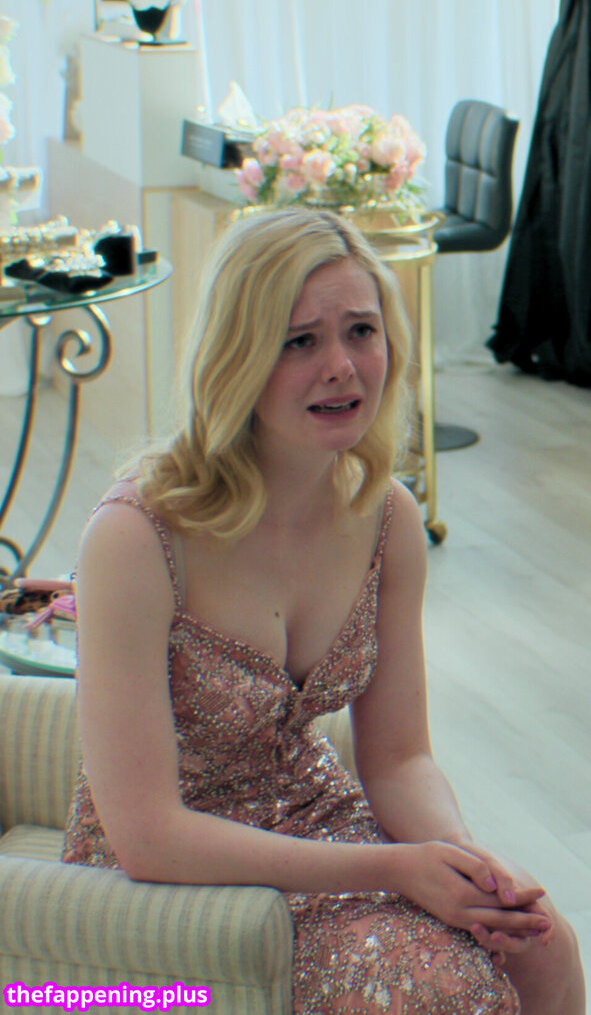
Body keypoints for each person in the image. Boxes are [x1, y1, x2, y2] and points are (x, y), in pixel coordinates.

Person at [63, 208, 585, 1014]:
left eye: (360, 332)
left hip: (318, 818)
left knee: (544, 945)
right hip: (175, 873)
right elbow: (147, 835)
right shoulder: (135, 536)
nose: (341, 367)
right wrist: (393, 869)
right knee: (439, 991)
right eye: (299, 341)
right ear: (238, 355)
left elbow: (399, 759)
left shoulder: (387, 518)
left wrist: (465, 863)